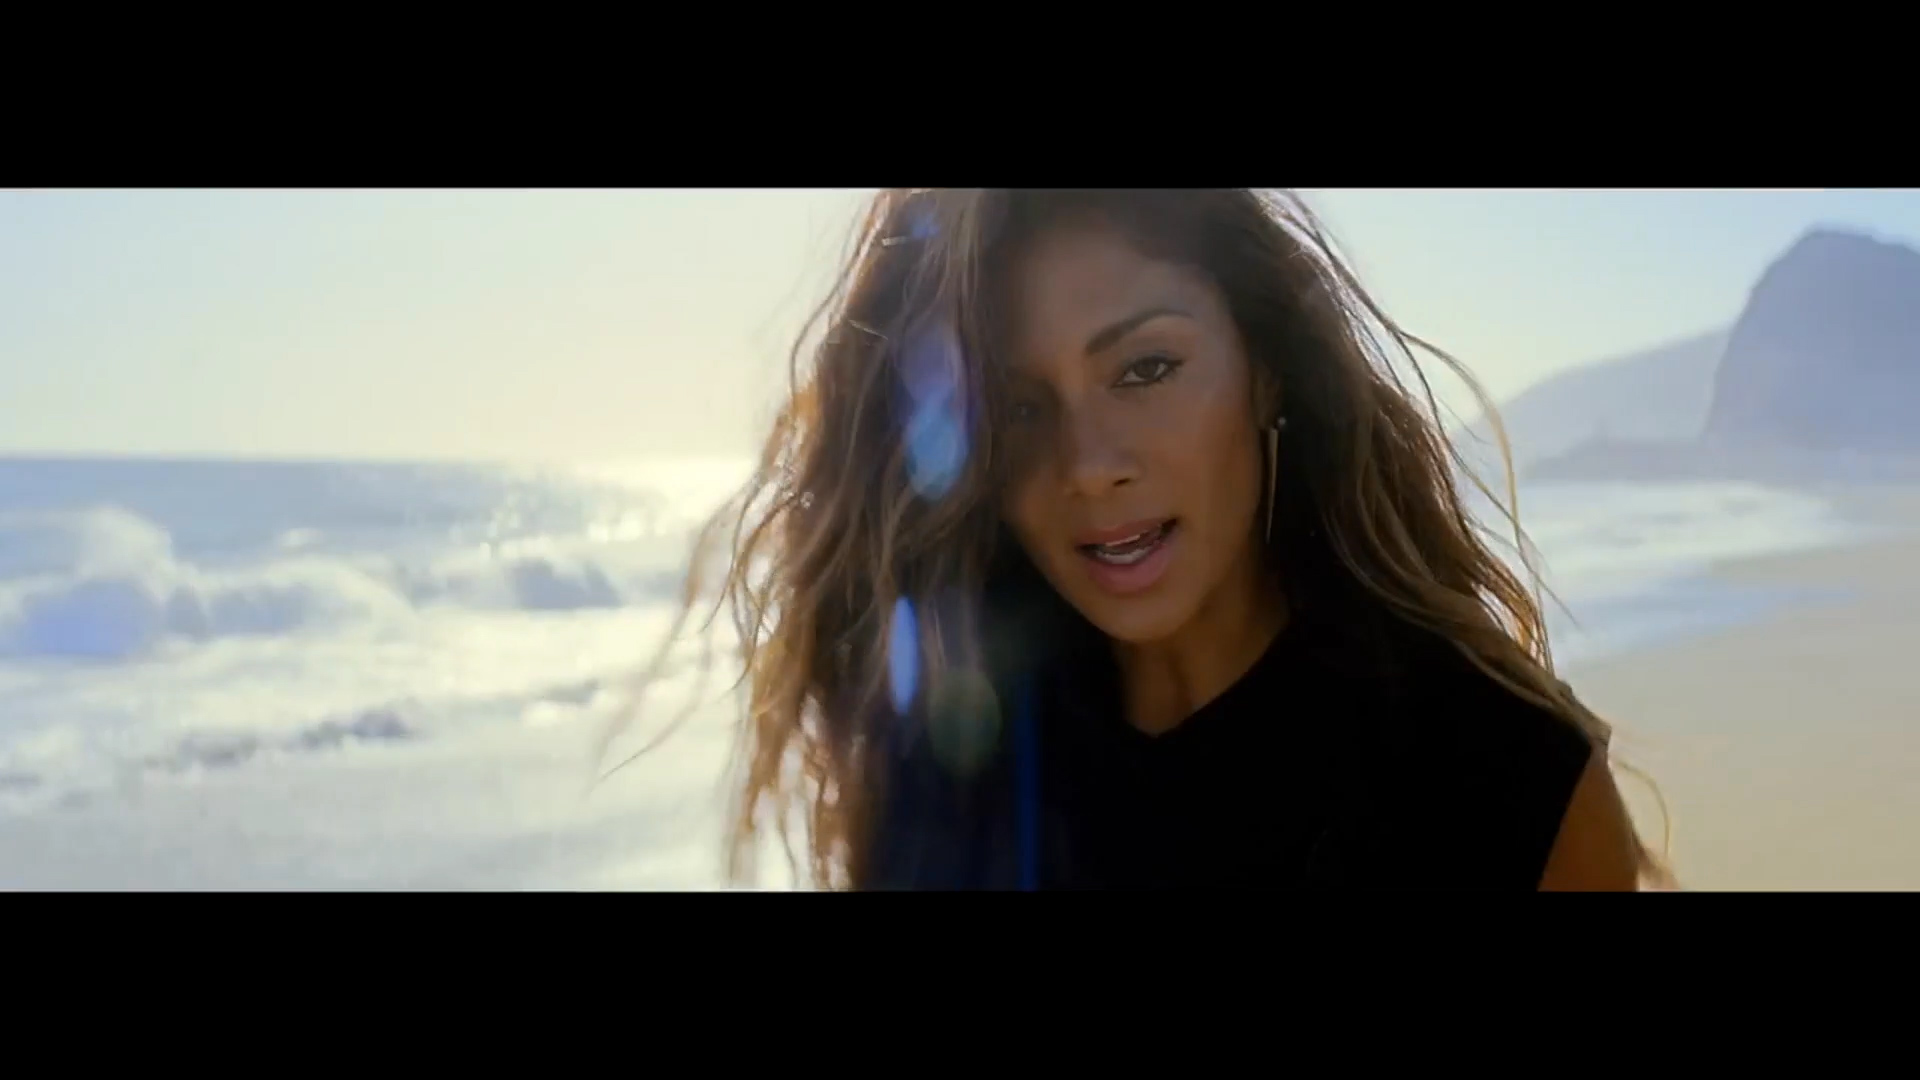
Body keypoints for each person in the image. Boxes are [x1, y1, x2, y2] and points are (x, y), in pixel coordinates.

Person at [610, 188, 1674, 891]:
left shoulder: (1501, 780)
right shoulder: (949, 762)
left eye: (1145, 369)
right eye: (1018, 406)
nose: (1087, 465)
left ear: (1266, 368)